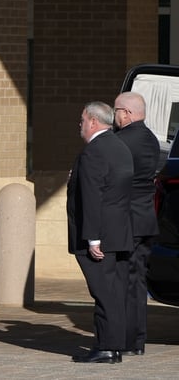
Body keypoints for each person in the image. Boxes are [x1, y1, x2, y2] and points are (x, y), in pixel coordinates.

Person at [67, 101, 133, 363]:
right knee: (114, 293)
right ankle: (114, 346)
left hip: (101, 237)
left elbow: (94, 197)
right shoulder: (120, 147)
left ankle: (107, 347)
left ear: (93, 121)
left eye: (82, 120)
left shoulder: (94, 151)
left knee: (103, 293)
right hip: (119, 233)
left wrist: (93, 238)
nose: (80, 125)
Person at [113, 92, 160, 356]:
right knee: (138, 282)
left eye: (116, 110)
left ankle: (127, 340)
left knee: (123, 282)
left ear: (127, 113)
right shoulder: (151, 140)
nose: (114, 115)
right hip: (145, 219)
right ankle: (138, 341)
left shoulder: (121, 142)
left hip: (127, 221)